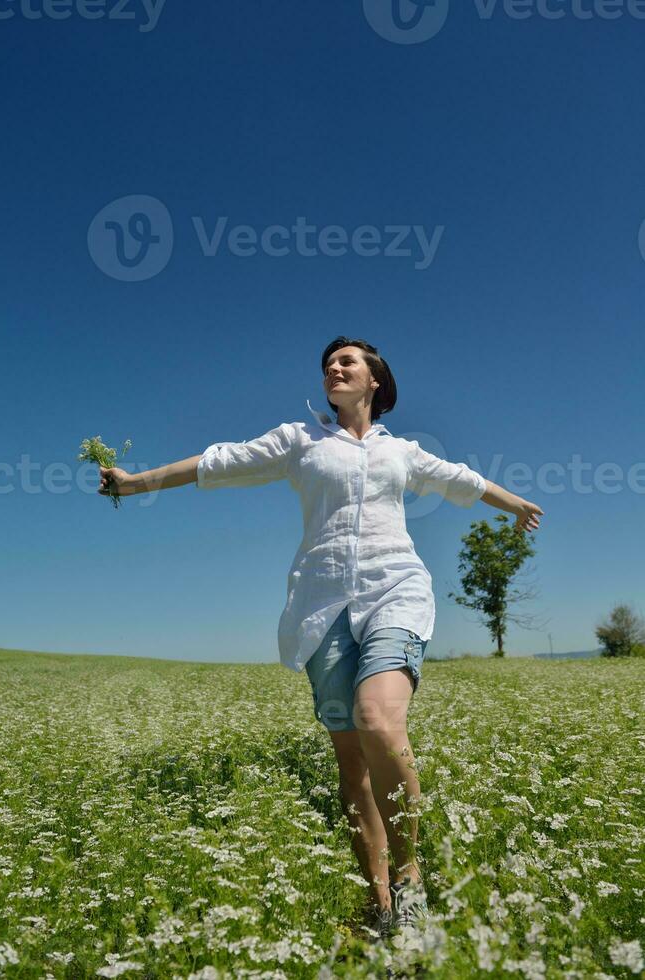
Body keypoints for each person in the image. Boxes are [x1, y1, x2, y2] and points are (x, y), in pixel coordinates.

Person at [97, 336, 544, 941]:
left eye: (348, 362)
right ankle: (379, 905)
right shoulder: (299, 440)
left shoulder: (402, 452)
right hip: (322, 608)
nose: (335, 367)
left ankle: (411, 884)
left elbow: (457, 479)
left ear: (375, 382)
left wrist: (514, 503)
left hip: (395, 590)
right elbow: (216, 462)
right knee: (353, 765)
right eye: (329, 363)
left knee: (378, 721)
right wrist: (134, 484)